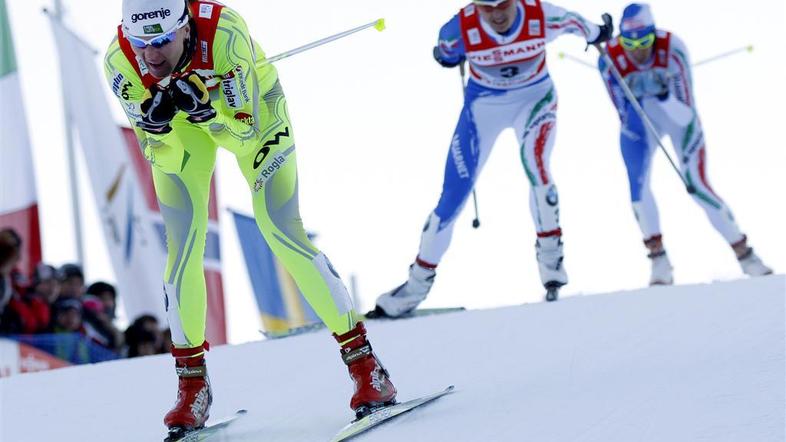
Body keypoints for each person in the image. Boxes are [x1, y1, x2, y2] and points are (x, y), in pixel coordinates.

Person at [104, 0, 396, 435]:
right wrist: (160, 128)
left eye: (162, 41)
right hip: (185, 130)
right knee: (183, 248)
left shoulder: (224, 34)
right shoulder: (118, 60)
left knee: (279, 228)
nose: (151, 55)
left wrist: (208, 110)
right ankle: (192, 389)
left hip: (249, 112)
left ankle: (366, 367)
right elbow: (158, 152)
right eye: (141, 43)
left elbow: (244, 132)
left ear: (184, 27)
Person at [374, 0, 614, 315]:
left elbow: (587, 28)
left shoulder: (542, 14)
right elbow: (445, 51)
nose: (498, 13)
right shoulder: (456, 29)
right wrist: (446, 58)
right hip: (483, 107)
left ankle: (552, 267)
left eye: (504, 4)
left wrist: (601, 32)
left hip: (534, 100)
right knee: (452, 197)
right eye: (488, 8)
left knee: (537, 169)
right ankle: (413, 289)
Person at [597, 3, 772, 285]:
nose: (638, 49)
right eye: (630, 42)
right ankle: (659, 262)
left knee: (697, 185)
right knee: (637, 189)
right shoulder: (609, 59)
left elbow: (686, 113)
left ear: (654, 34)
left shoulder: (673, 49)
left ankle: (746, 255)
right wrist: (636, 96)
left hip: (676, 117)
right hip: (641, 121)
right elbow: (622, 113)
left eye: (645, 40)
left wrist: (664, 93)